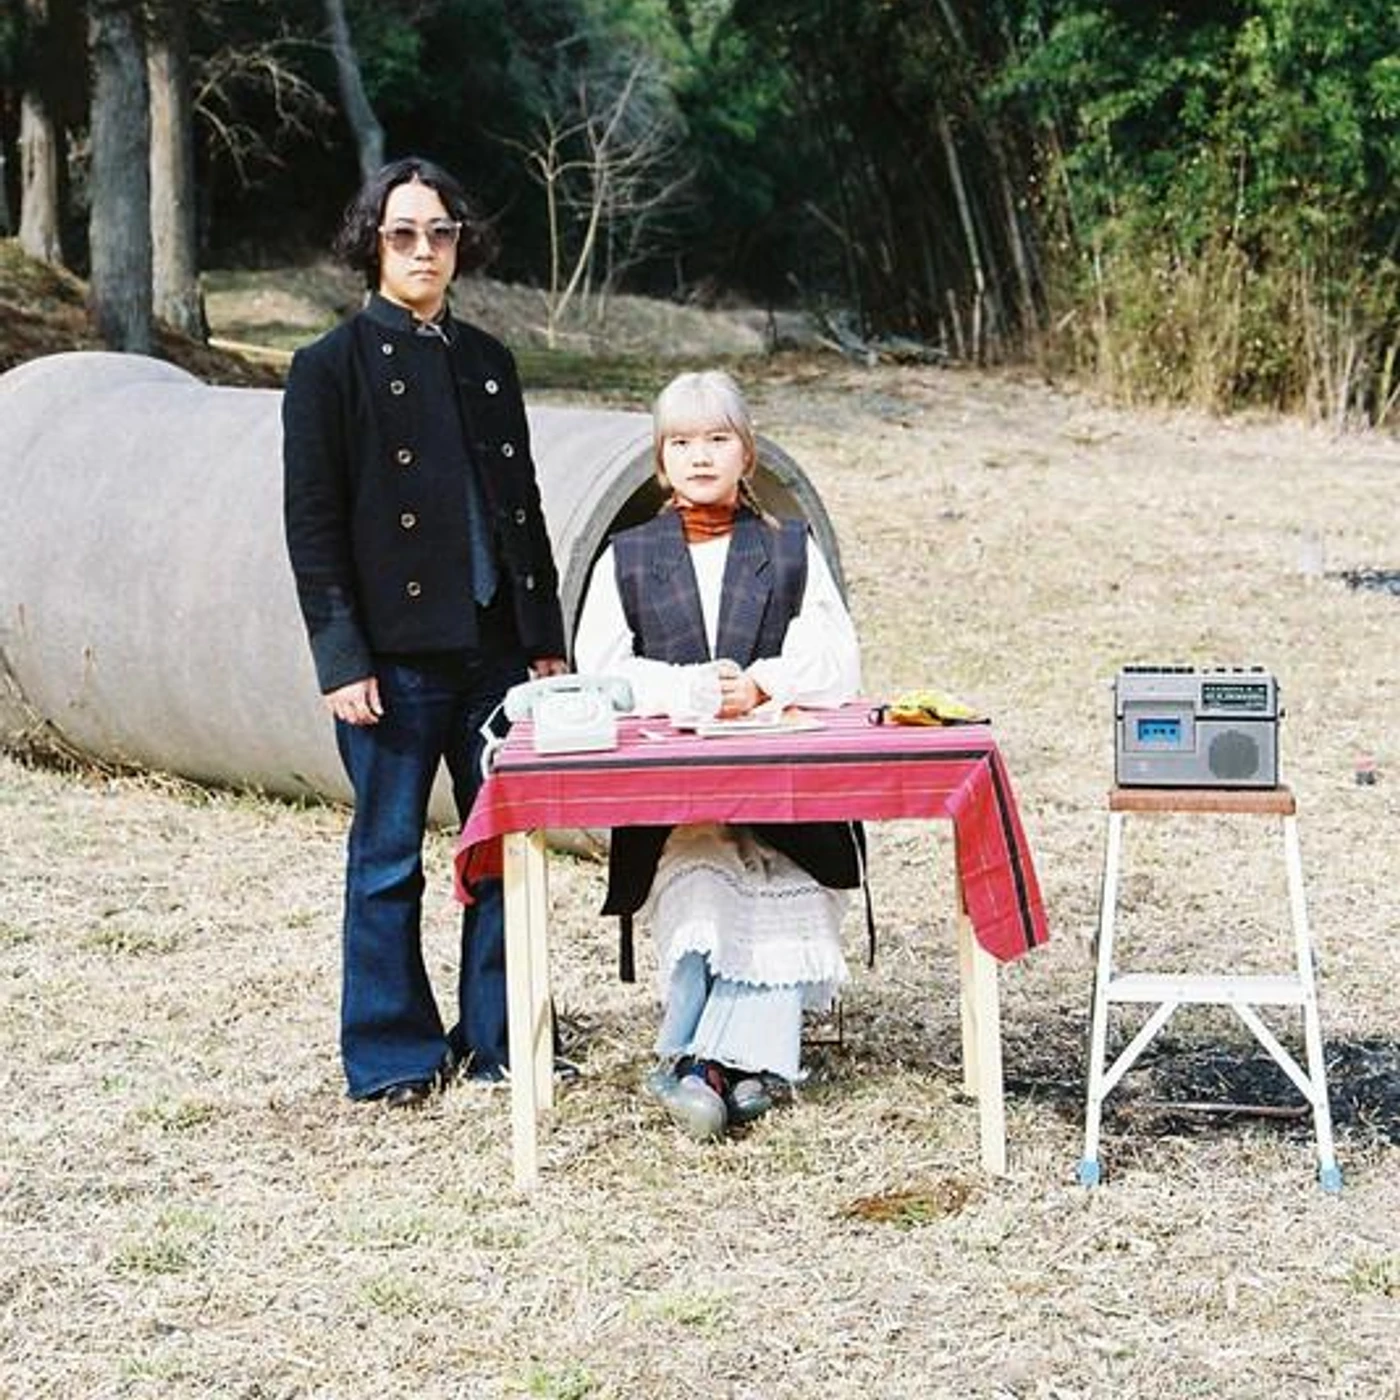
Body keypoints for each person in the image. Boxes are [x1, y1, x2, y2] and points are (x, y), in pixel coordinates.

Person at [282, 156, 567, 1107]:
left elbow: (519, 509)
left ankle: (502, 1039)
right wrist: (340, 657)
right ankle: (393, 1053)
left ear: (459, 245)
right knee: (387, 856)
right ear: (372, 244)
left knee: (502, 849)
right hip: (392, 661)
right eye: (402, 234)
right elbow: (313, 529)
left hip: (492, 649)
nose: (422, 251)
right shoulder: (328, 370)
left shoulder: (490, 362)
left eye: (438, 234)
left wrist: (543, 636)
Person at [572, 369, 864, 1139]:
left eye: (717, 439)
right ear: (660, 461)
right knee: (704, 886)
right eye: (681, 442)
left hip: (781, 797)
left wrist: (762, 687)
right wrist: (691, 690)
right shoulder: (627, 558)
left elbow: (837, 661)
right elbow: (600, 670)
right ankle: (725, 1065)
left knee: (782, 888)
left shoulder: (790, 551)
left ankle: (708, 1064)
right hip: (677, 805)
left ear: (748, 453)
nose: (700, 457)